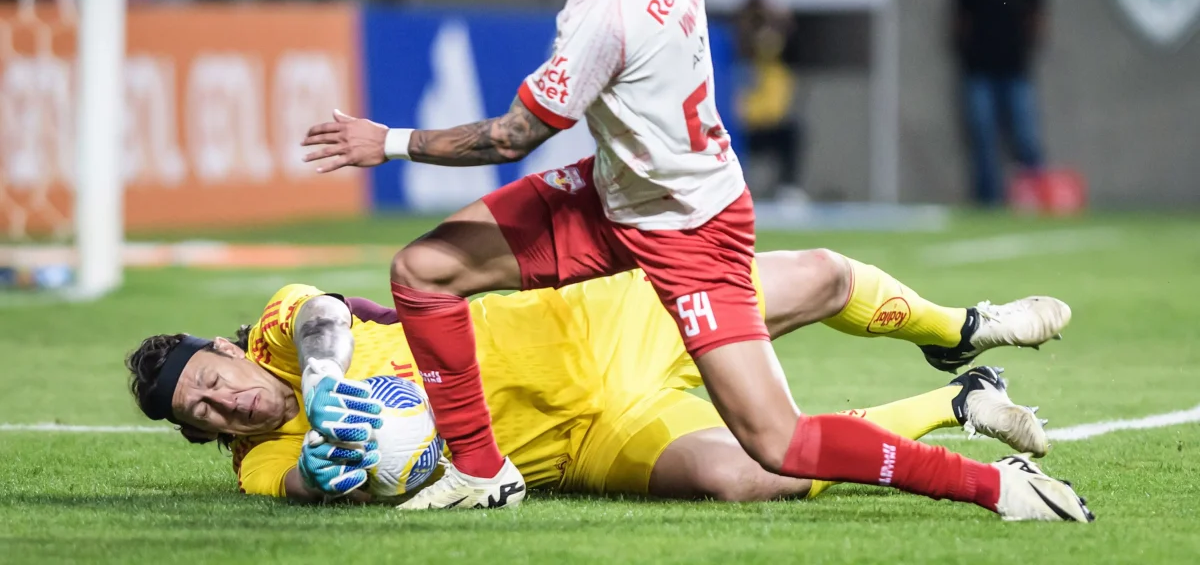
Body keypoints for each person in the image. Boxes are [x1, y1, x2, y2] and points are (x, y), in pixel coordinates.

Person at [299, 0, 1082, 520]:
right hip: (617, 194)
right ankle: (481, 470)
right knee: (424, 270)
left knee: (776, 444)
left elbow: (509, 139)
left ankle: (998, 487)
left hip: (688, 230)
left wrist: (389, 142)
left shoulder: (600, 14)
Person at [127, 249, 1072, 510]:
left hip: (597, 319)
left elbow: (328, 313)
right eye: (203, 415)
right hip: (583, 442)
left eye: (213, 375)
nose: (225, 402)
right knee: (752, 475)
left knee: (821, 279)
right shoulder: (260, 463)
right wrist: (328, 478)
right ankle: (959, 400)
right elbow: (294, 483)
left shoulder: (289, 332)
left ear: (232, 346)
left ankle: (959, 330)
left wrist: (330, 385)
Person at [951, 0, 1049, 206]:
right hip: (980, 71)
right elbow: (960, 22)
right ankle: (988, 202)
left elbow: (1038, 18)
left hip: (1016, 70)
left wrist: (1028, 47)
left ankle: (1036, 197)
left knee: (1026, 138)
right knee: (983, 139)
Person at [734, 0, 807, 203]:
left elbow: (792, 41)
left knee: (793, 133)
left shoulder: (779, 53)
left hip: (772, 122)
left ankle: (788, 188)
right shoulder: (738, 51)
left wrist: (779, 18)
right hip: (741, 124)